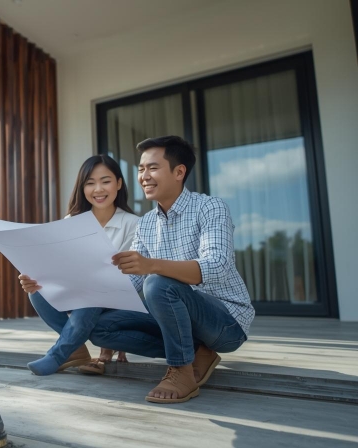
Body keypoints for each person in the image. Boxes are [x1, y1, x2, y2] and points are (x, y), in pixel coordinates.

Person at [94, 135, 254, 404]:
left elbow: (217, 266)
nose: (144, 176)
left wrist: (152, 266)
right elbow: (130, 284)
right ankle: (195, 351)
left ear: (179, 172)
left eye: (152, 168)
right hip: (177, 321)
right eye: (141, 169)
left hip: (226, 322)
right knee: (100, 327)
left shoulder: (210, 207)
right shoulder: (145, 223)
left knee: (157, 283)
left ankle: (180, 370)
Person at [18, 154, 140, 376]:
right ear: (82, 188)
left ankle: (58, 354)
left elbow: (130, 275)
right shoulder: (71, 221)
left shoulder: (134, 224)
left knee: (90, 294)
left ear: (119, 184)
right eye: (90, 183)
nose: (98, 189)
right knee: (37, 291)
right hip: (79, 292)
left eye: (106, 181)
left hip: (116, 297)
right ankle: (77, 349)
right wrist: (36, 275)